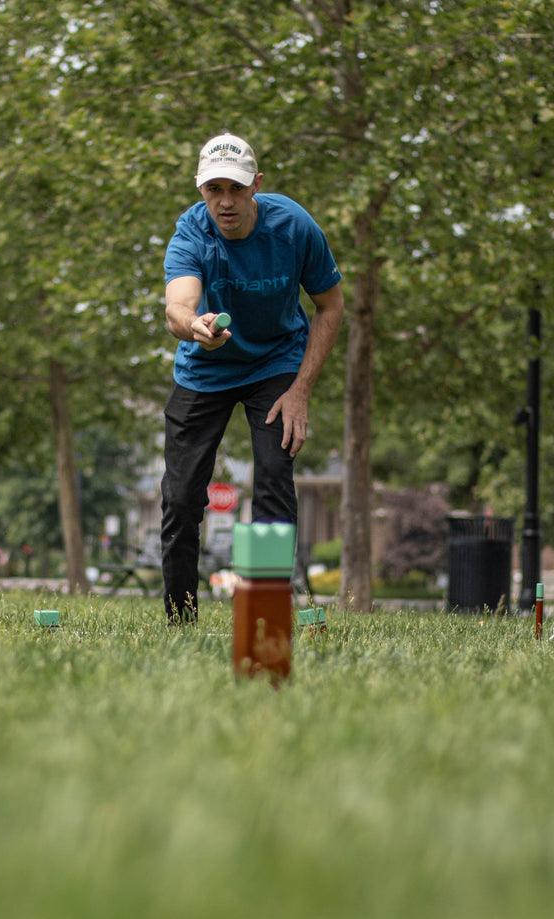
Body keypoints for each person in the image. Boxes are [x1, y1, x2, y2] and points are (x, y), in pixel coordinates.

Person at [159, 132, 344, 623]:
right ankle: (180, 618)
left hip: (275, 363)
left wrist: (300, 390)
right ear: (200, 187)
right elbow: (177, 306)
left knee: (274, 479)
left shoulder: (293, 227)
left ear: (256, 184)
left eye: (236, 189)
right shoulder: (191, 233)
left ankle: (264, 617)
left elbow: (330, 306)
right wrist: (195, 327)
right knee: (181, 497)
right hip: (205, 365)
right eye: (213, 189)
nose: (225, 201)